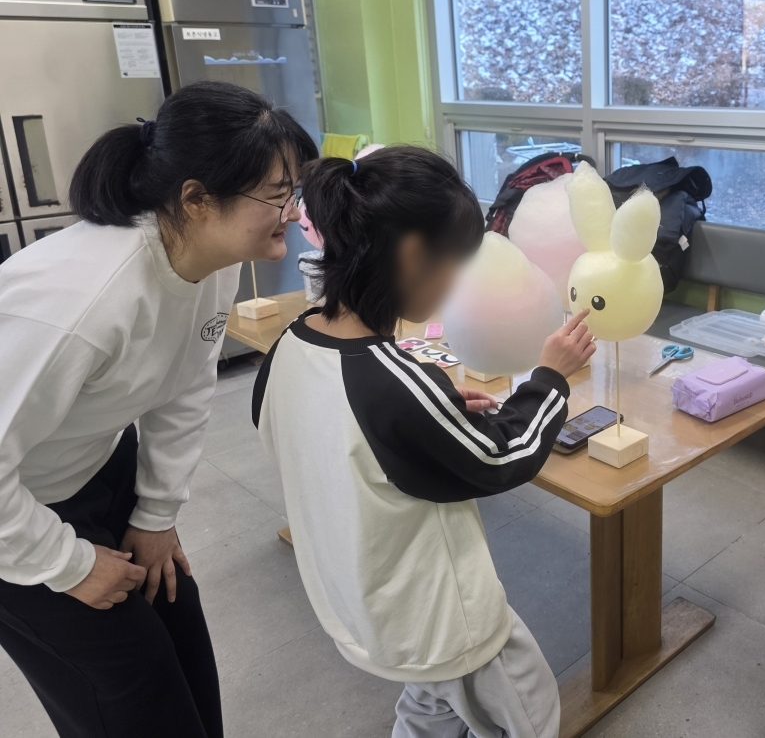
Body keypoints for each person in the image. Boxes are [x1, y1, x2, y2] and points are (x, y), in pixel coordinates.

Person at [0, 81, 317, 738]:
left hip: (93, 464)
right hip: (15, 515)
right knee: (129, 686)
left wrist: (156, 515)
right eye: (276, 194)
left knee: (178, 624)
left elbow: (186, 385)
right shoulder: (83, 301)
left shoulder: (212, 259)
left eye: (294, 191)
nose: (292, 212)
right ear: (196, 199)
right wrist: (68, 564)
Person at [252, 146, 595, 738]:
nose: (457, 283)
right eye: (455, 264)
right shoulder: (392, 384)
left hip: (358, 595)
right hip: (442, 617)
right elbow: (502, 456)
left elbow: (301, 427)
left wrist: (426, 410)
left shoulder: (293, 341)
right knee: (528, 709)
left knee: (432, 704)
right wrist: (550, 377)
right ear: (413, 255)